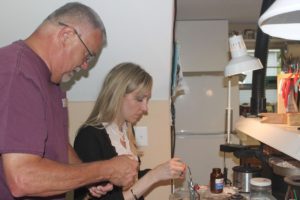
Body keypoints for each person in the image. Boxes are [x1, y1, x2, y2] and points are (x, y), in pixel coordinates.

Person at [0, 2, 138, 200]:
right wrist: (104, 170)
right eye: (87, 56)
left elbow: (57, 144)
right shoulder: (19, 73)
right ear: (66, 35)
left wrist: (86, 175)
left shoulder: (53, 81)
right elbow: (22, 179)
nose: (84, 66)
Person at [74, 62, 186, 200]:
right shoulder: (89, 136)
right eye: (139, 99)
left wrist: (165, 171)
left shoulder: (126, 129)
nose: (145, 108)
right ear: (117, 95)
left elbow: (127, 182)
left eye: (147, 99)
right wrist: (154, 175)